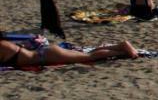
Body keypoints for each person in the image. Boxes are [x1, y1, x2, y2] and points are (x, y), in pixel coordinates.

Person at [1, 35, 138, 68]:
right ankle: (119, 46)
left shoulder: (2, 46)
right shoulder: (5, 44)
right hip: (46, 52)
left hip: (47, 55)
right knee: (87, 54)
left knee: (89, 57)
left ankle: (122, 51)